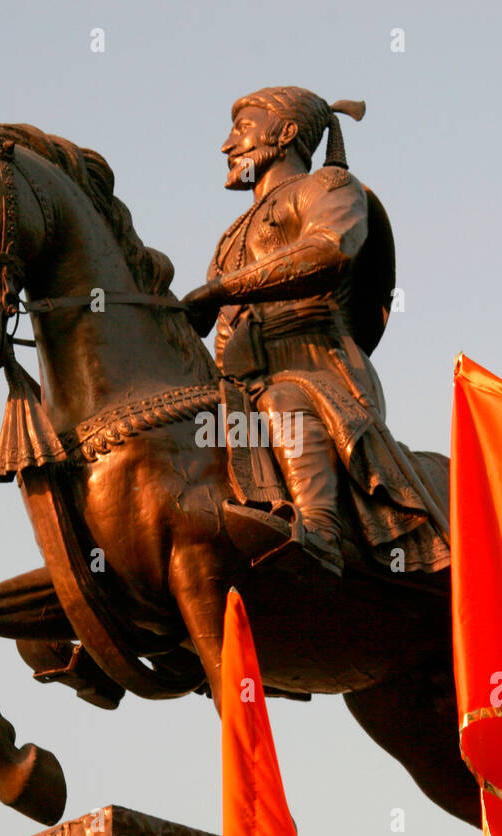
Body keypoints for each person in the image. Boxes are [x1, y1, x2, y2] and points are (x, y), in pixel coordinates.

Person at [181, 86, 449, 576]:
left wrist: (218, 290)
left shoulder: (329, 186)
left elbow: (329, 251)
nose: (227, 145)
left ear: (284, 133)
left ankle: (320, 530)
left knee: (283, 400)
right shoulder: (230, 236)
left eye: (242, 129)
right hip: (242, 382)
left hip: (318, 367)